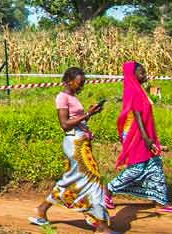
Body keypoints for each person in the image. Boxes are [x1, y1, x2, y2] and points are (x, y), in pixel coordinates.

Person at [29, 67, 112, 232]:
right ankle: (101, 225)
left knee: (72, 179)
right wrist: (87, 114)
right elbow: (65, 125)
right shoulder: (62, 97)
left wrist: (89, 115)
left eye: (83, 83)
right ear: (68, 81)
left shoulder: (72, 97)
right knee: (93, 179)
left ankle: (42, 209)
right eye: (79, 83)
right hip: (75, 144)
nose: (81, 86)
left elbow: (76, 120)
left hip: (80, 142)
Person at [105, 62, 172, 212]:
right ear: (132, 75)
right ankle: (108, 190)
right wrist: (146, 138)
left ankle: (160, 200)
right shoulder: (133, 91)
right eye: (142, 73)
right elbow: (137, 115)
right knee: (137, 168)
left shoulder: (138, 90)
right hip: (135, 134)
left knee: (155, 164)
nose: (145, 75)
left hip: (143, 133)